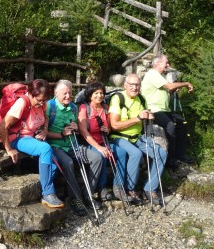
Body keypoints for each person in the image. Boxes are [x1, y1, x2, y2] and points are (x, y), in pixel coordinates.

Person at [0, 79, 63, 208]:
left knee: (55, 165)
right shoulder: (22, 103)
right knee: (45, 148)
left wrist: (44, 130)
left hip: (31, 137)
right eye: (39, 100)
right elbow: (3, 126)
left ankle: (39, 189)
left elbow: (45, 118)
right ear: (31, 94)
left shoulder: (42, 103)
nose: (42, 103)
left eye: (44, 100)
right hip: (17, 137)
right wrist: (8, 149)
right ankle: (48, 193)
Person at [46, 80, 103, 215]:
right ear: (56, 93)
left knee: (97, 158)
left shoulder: (73, 107)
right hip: (56, 146)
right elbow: (44, 132)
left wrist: (76, 128)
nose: (68, 96)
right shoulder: (50, 106)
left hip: (73, 144)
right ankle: (75, 199)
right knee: (68, 163)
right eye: (64, 93)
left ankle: (87, 193)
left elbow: (77, 129)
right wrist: (61, 134)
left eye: (70, 93)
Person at [109, 74, 167, 205]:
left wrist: (149, 117)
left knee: (161, 153)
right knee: (136, 154)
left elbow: (144, 119)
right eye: (132, 85)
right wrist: (138, 118)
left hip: (138, 137)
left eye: (137, 85)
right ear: (125, 85)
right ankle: (130, 189)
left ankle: (150, 188)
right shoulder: (118, 98)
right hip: (119, 137)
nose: (135, 88)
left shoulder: (141, 99)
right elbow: (114, 125)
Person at [78, 82, 127, 206]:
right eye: (96, 93)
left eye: (101, 93)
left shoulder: (105, 107)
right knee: (103, 155)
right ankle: (101, 188)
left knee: (121, 152)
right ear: (90, 95)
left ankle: (118, 186)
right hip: (89, 143)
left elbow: (110, 126)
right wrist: (99, 148)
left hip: (104, 141)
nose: (99, 95)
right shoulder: (85, 108)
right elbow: (83, 131)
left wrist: (108, 129)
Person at [141, 54, 194, 169]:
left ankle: (180, 154)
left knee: (181, 123)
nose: (168, 65)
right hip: (153, 110)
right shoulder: (152, 74)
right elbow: (169, 86)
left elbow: (167, 91)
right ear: (158, 63)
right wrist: (186, 83)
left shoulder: (159, 76)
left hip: (164, 109)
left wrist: (173, 88)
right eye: (166, 63)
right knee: (170, 125)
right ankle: (170, 158)